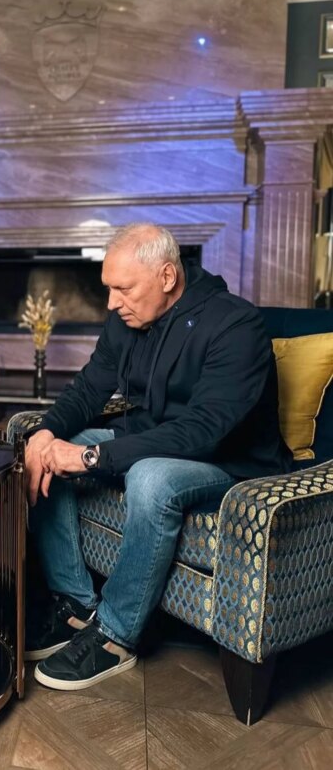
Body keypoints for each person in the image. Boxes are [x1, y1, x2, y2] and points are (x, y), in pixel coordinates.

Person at [24, 222, 291, 691]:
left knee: (150, 478)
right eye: (108, 289)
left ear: (166, 276)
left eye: (123, 289)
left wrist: (92, 457)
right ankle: (76, 605)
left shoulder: (236, 324)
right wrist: (44, 435)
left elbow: (204, 430)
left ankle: (116, 636)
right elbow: (88, 389)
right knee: (55, 447)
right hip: (155, 440)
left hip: (231, 462)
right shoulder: (128, 317)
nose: (111, 303)